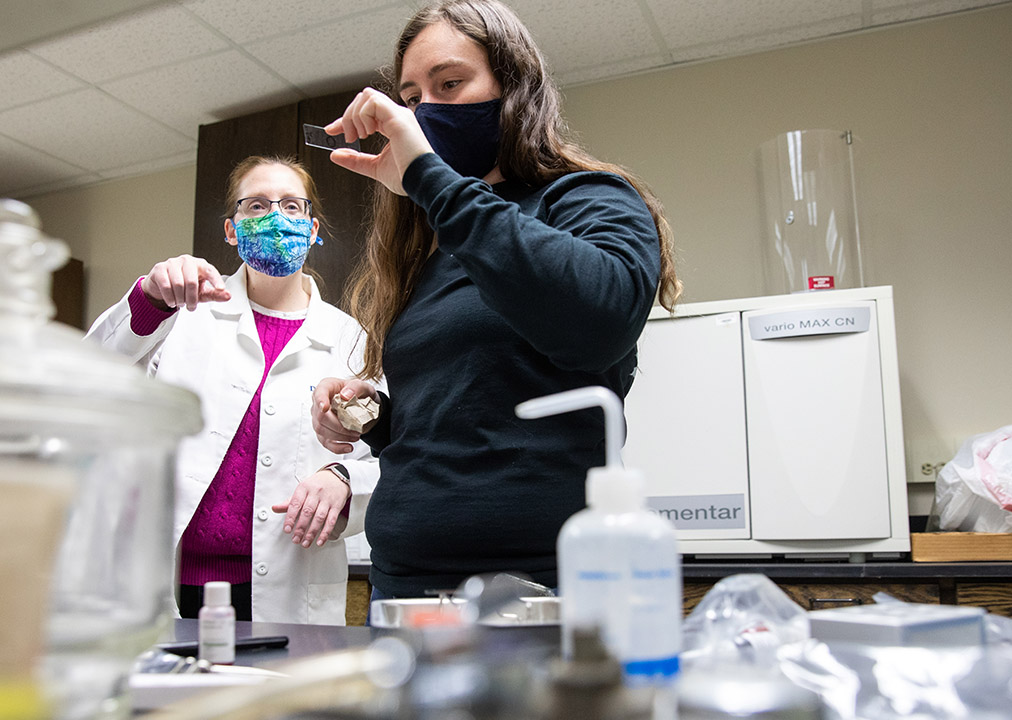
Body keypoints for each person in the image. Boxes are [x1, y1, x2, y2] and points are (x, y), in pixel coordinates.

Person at [309, 0, 681, 602]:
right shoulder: (430, 250)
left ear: (513, 86)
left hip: (544, 586)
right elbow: (466, 411)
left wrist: (428, 178)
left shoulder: (588, 199)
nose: (425, 111)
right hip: (407, 584)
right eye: (412, 98)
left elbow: (599, 322)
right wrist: (372, 416)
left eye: (450, 83)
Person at [86, 156, 380, 624]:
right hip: (174, 580)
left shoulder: (350, 340)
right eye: (257, 206)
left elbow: (389, 460)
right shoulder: (183, 313)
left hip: (289, 583)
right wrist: (148, 300)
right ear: (231, 229)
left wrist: (344, 481)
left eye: (291, 206)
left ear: (313, 227)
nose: (275, 218)